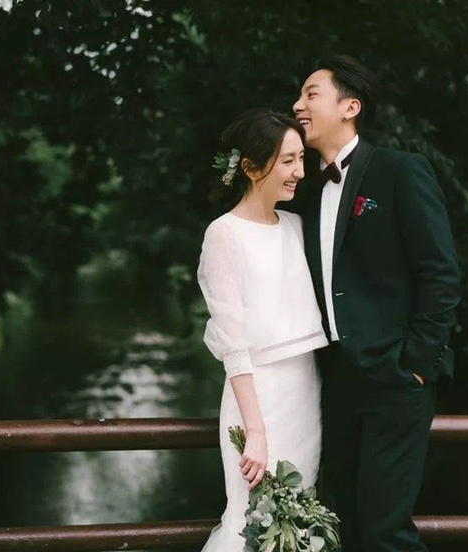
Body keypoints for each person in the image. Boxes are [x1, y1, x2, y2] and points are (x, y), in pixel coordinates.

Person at [289, 55, 461, 551]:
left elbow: (440, 273)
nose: (297, 105)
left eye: (311, 94)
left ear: (351, 107)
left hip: (395, 377)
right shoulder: (305, 188)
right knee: (338, 524)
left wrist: (417, 365)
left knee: (386, 531)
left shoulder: (399, 171)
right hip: (332, 379)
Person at [197, 108, 329, 551]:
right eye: (288, 160)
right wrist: (255, 430)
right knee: (252, 522)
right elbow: (233, 344)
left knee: (298, 521)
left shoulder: (296, 226)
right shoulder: (224, 234)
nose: (300, 171)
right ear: (251, 168)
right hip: (258, 400)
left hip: (304, 394)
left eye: (301, 158)